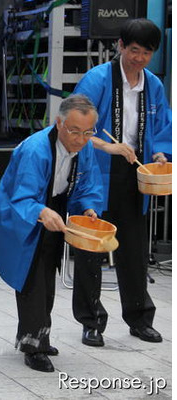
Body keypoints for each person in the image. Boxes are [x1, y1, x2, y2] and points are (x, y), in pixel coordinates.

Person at [0, 95, 104, 372]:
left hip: (54, 210)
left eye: (88, 132)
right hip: (23, 215)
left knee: (48, 276)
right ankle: (32, 346)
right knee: (32, 278)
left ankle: (39, 335)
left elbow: (88, 185)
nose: (81, 139)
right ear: (59, 123)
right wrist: (42, 211)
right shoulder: (36, 149)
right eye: (74, 131)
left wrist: (88, 209)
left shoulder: (84, 146)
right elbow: (22, 195)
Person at [71, 18, 172, 347]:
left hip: (134, 174)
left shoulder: (153, 85)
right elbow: (73, 126)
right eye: (134, 50)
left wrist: (160, 153)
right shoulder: (97, 79)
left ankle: (140, 318)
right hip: (96, 173)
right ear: (119, 46)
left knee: (134, 250)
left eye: (146, 52)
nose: (139, 58)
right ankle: (91, 321)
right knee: (91, 249)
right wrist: (107, 145)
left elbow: (162, 129)